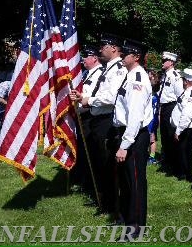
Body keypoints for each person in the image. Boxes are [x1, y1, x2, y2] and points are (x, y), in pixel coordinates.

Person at [69, 35, 127, 218]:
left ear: (114, 49)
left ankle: (110, 205)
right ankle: (102, 198)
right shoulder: (108, 69)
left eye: (104, 46)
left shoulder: (118, 69)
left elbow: (110, 98)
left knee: (106, 164)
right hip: (97, 119)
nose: (100, 49)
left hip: (107, 120)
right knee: (98, 163)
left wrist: (88, 100)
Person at [113, 38, 153, 235]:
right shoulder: (130, 75)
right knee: (125, 180)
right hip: (127, 134)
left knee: (135, 181)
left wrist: (125, 145)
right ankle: (124, 216)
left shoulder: (138, 80)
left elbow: (135, 116)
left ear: (135, 57)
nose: (121, 55)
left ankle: (136, 225)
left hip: (134, 136)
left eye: (125, 53)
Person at [70, 45, 103, 193]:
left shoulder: (100, 74)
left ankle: (91, 184)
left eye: (86, 56)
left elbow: (92, 96)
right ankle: (83, 179)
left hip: (90, 115)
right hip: (82, 115)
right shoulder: (87, 73)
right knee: (82, 150)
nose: (83, 59)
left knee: (90, 151)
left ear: (95, 58)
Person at [170, 68, 192, 181]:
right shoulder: (188, 91)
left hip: (188, 127)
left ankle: (185, 174)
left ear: (186, 81)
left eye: (183, 79)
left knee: (185, 150)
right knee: (182, 150)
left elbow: (187, 114)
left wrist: (179, 130)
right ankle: (182, 171)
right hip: (185, 126)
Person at [157, 51, 183, 173]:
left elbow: (179, 95)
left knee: (170, 135)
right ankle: (166, 161)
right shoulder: (165, 75)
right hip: (164, 107)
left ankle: (173, 164)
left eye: (164, 61)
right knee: (164, 134)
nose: (162, 63)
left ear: (171, 62)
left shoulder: (175, 76)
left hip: (171, 107)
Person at [146, 69, 160, 165]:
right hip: (150, 118)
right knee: (149, 137)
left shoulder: (154, 95)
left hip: (151, 119)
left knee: (152, 138)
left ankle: (152, 156)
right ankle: (148, 154)